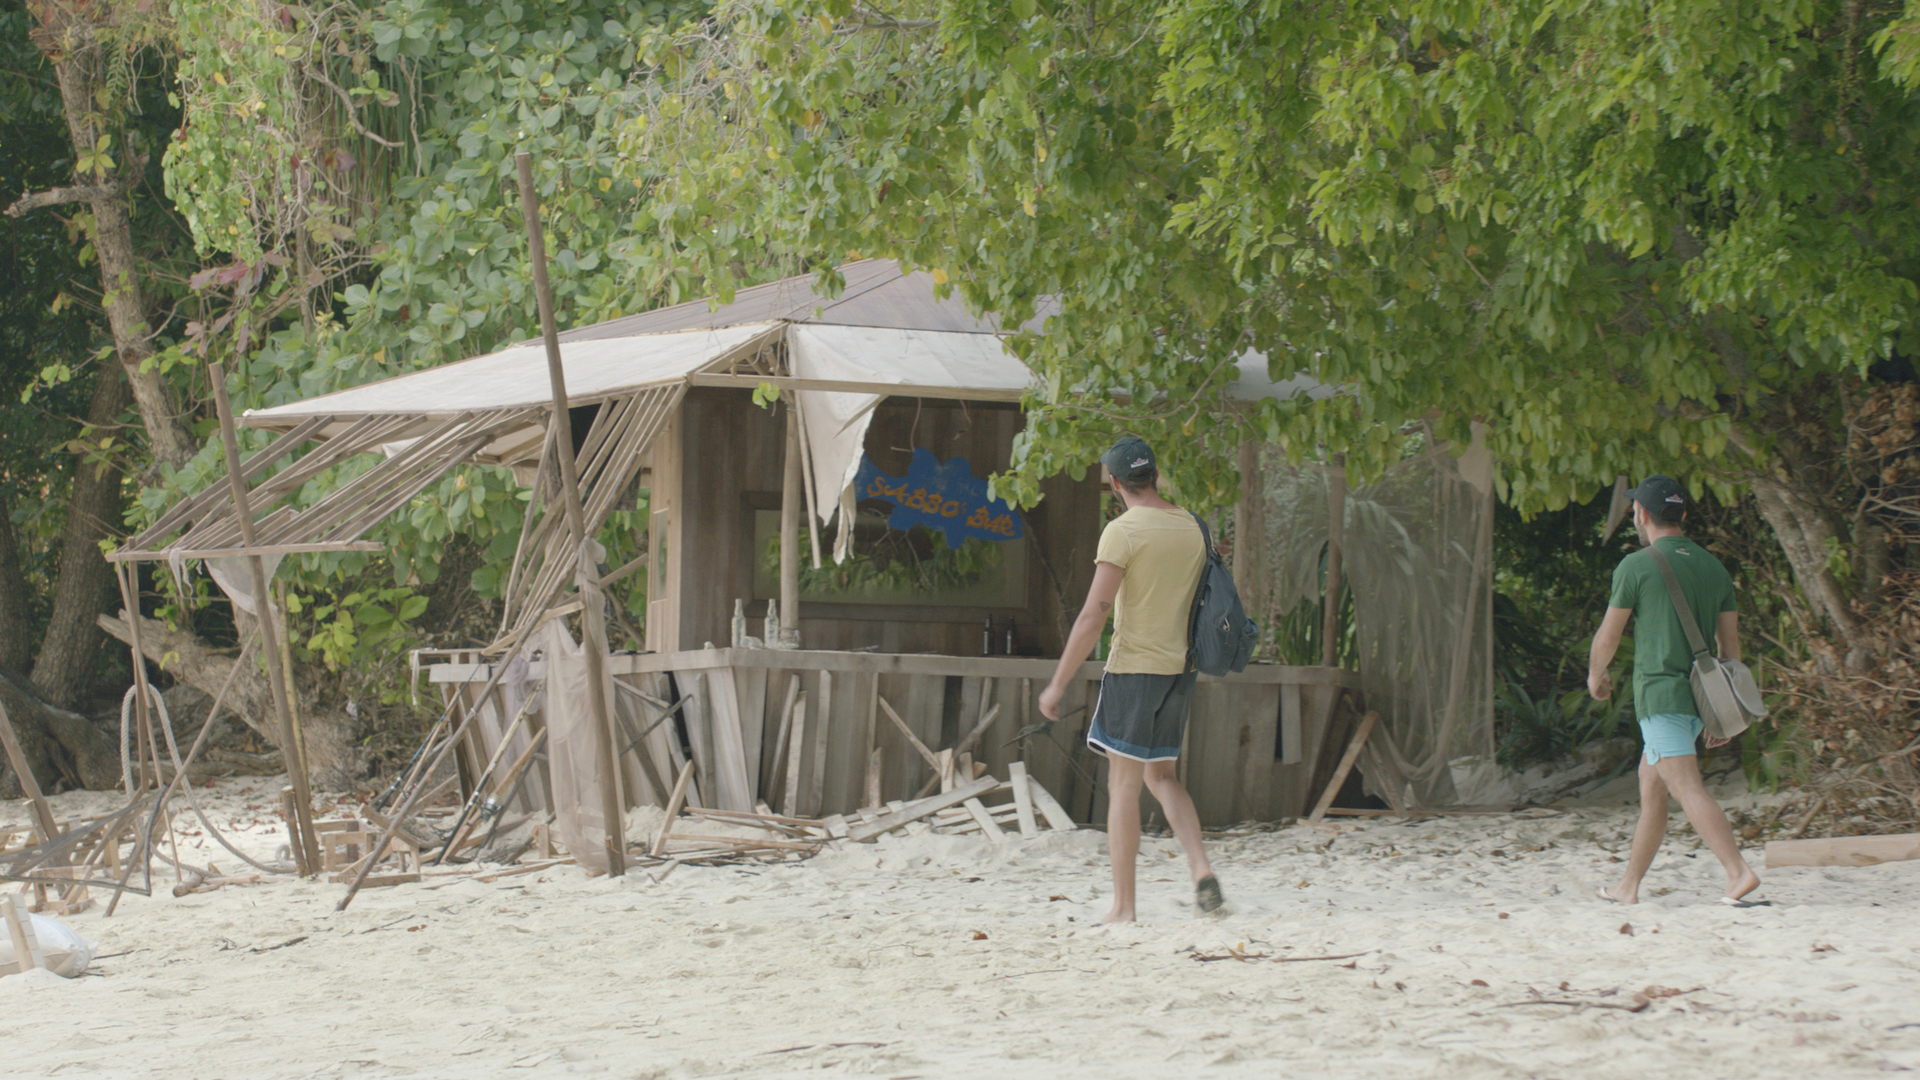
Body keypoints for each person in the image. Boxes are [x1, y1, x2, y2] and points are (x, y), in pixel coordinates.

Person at [1038, 436, 1222, 922]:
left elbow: (1092, 616)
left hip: (1134, 671)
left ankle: (1124, 908)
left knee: (1124, 787)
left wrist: (1057, 683)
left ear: (1115, 483)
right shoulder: (1193, 527)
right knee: (1162, 776)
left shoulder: (1122, 532)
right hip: (1179, 671)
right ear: (1155, 475)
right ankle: (1201, 868)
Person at [1588, 475, 1761, 906]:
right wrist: (1721, 712)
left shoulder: (1636, 566)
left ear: (1643, 514)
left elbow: (1608, 637)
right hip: (1700, 699)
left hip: (1661, 695)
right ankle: (1628, 885)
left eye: (1634, 508)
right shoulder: (1714, 567)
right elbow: (1730, 650)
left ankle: (1738, 872)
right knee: (1653, 787)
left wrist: (1595, 675)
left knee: (1686, 787)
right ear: (1679, 514)